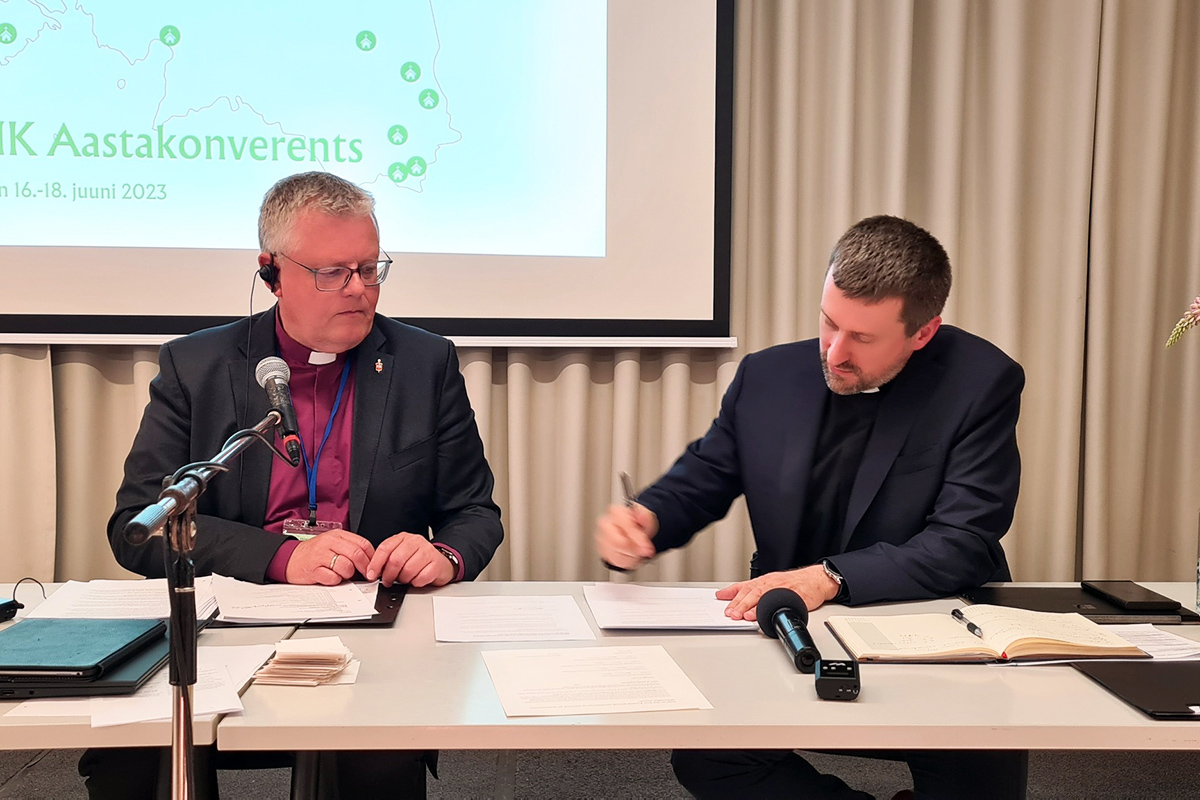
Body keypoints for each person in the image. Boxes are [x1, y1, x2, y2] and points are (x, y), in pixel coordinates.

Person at [81, 171, 503, 799]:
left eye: (370, 268)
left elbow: (475, 511)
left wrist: (442, 554)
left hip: (370, 625)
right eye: (333, 272)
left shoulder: (424, 362)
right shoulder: (196, 365)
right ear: (271, 271)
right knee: (132, 762)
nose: (360, 290)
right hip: (227, 621)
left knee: (378, 760)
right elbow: (136, 526)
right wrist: (281, 557)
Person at [596, 216, 1027, 799]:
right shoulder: (768, 375)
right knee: (709, 758)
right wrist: (647, 518)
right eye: (828, 322)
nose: (834, 351)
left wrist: (828, 577)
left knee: (982, 780)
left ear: (923, 333)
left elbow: (964, 541)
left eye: (863, 339)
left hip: (934, 634)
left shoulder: (981, 382)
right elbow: (707, 475)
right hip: (796, 633)